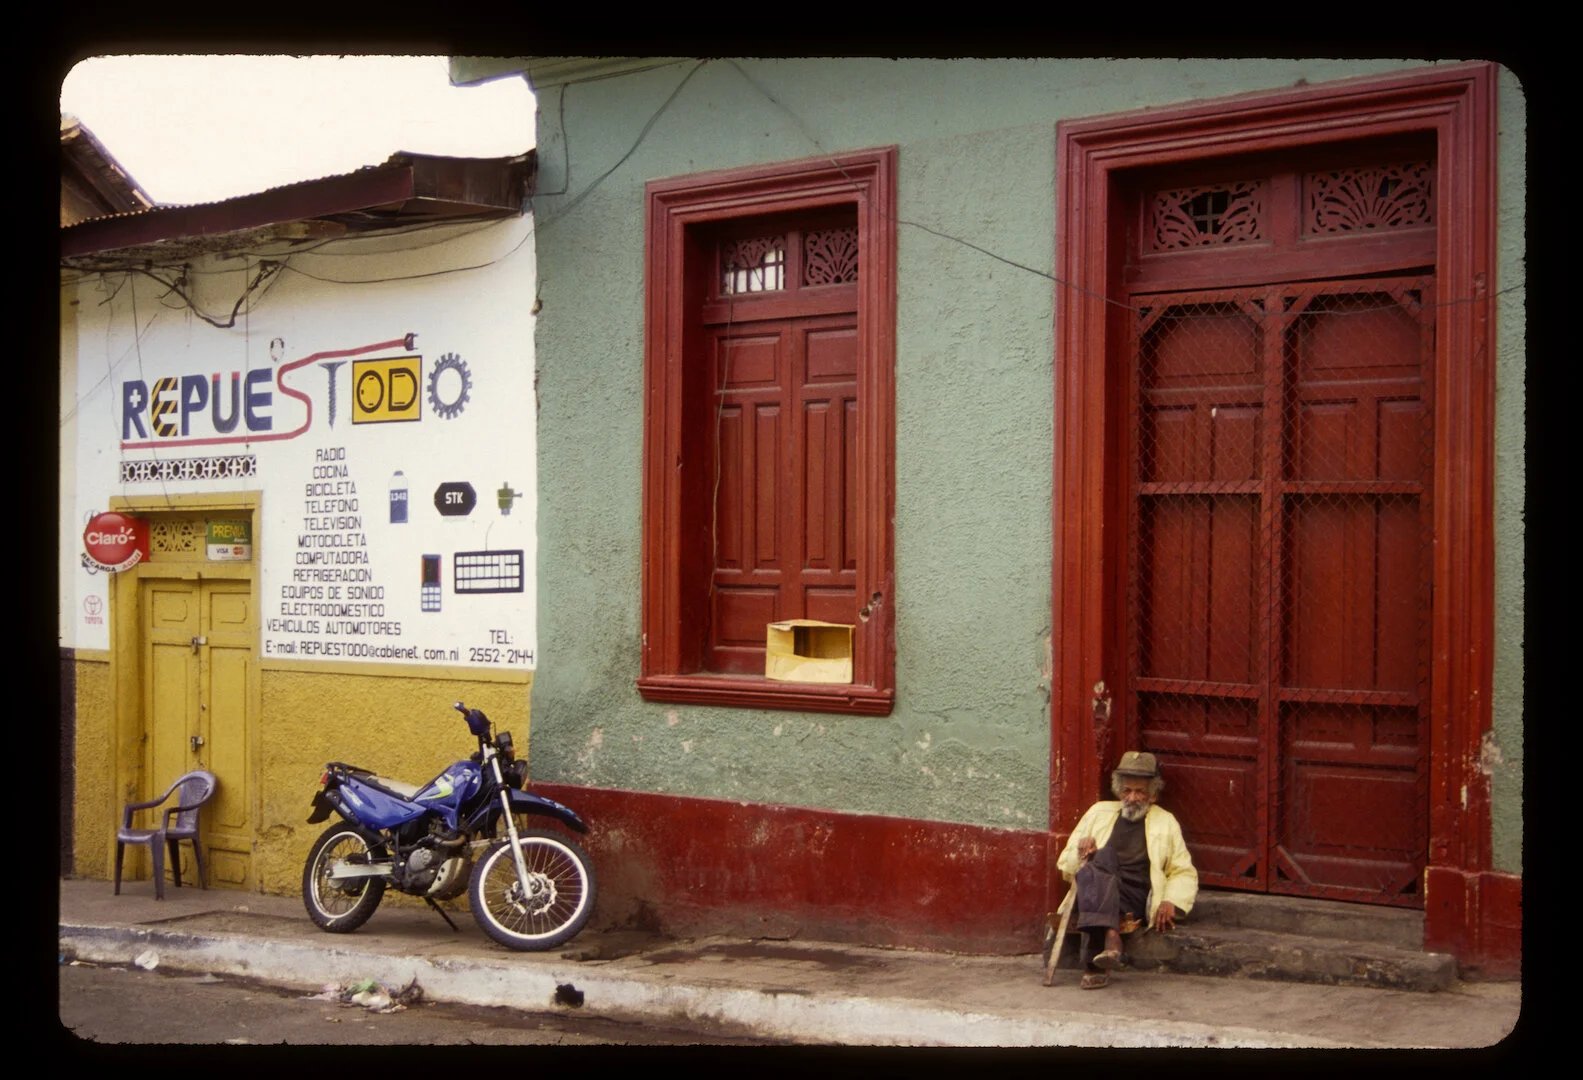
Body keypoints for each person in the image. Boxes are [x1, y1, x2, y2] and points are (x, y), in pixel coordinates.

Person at [1053, 751, 1198, 989]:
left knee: (1099, 871)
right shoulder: (1098, 812)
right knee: (1102, 859)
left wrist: (1172, 899)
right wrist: (1082, 853)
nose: (1132, 797)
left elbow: (1182, 870)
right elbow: (1067, 867)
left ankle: (1093, 963)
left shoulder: (1166, 822)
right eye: (1127, 790)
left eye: (1140, 792)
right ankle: (1111, 938)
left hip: (1133, 894)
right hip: (1095, 887)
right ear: (1119, 791)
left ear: (1153, 795)